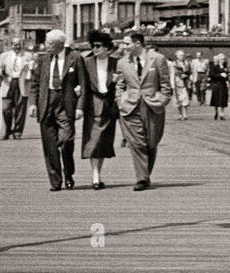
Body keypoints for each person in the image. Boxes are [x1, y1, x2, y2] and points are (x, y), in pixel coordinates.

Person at [115, 32, 172, 191]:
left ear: (137, 43)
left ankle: (144, 174)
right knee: (136, 142)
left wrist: (162, 101)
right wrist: (120, 100)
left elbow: (166, 85)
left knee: (151, 142)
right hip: (130, 107)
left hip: (152, 105)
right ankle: (142, 178)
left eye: (127, 44)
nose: (123, 47)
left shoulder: (158, 59)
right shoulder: (122, 63)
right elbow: (120, 84)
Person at [29, 30, 83, 191]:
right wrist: (32, 103)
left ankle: (69, 174)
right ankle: (55, 180)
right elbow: (35, 83)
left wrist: (80, 107)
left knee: (66, 141)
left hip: (66, 105)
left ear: (60, 44)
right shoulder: (43, 59)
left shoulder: (75, 58)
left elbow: (83, 84)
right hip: (46, 104)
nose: (47, 46)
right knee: (50, 145)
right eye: (47, 43)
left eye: (50, 44)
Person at [80, 29, 120, 188]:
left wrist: (118, 82)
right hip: (93, 107)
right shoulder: (86, 63)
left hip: (110, 108)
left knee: (103, 143)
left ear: (107, 48)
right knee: (93, 141)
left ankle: (98, 173)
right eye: (93, 46)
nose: (94, 49)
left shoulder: (116, 63)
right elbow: (81, 83)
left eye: (98, 46)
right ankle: (95, 176)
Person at [0, 36, 29, 140]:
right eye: (15, 44)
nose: (17, 46)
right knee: (5, 109)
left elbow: (32, 69)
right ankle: (8, 129)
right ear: (11, 45)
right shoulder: (4, 56)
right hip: (8, 83)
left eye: (19, 44)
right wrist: (2, 72)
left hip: (21, 84)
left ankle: (17, 132)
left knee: (20, 110)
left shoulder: (28, 56)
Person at [171, 49, 192, 121]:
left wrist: (188, 76)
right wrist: (180, 75)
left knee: (185, 98)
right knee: (178, 99)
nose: (181, 56)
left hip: (185, 83)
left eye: (182, 55)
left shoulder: (187, 63)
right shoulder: (174, 63)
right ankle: (180, 114)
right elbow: (173, 72)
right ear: (177, 56)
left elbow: (189, 71)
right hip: (177, 82)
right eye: (180, 55)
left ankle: (185, 114)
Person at [209, 53, 230, 119]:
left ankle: (222, 114)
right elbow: (212, 75)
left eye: (223, 59)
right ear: (218, 59)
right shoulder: (214, 67)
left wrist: (227, 76)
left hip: (223, 85)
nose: (222, 60)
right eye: (221, 59)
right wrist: (220, 75)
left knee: (223, 99)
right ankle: (216, 112)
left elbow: (228, 74)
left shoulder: (225, 67)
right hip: (216, 85)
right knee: (216, 99)